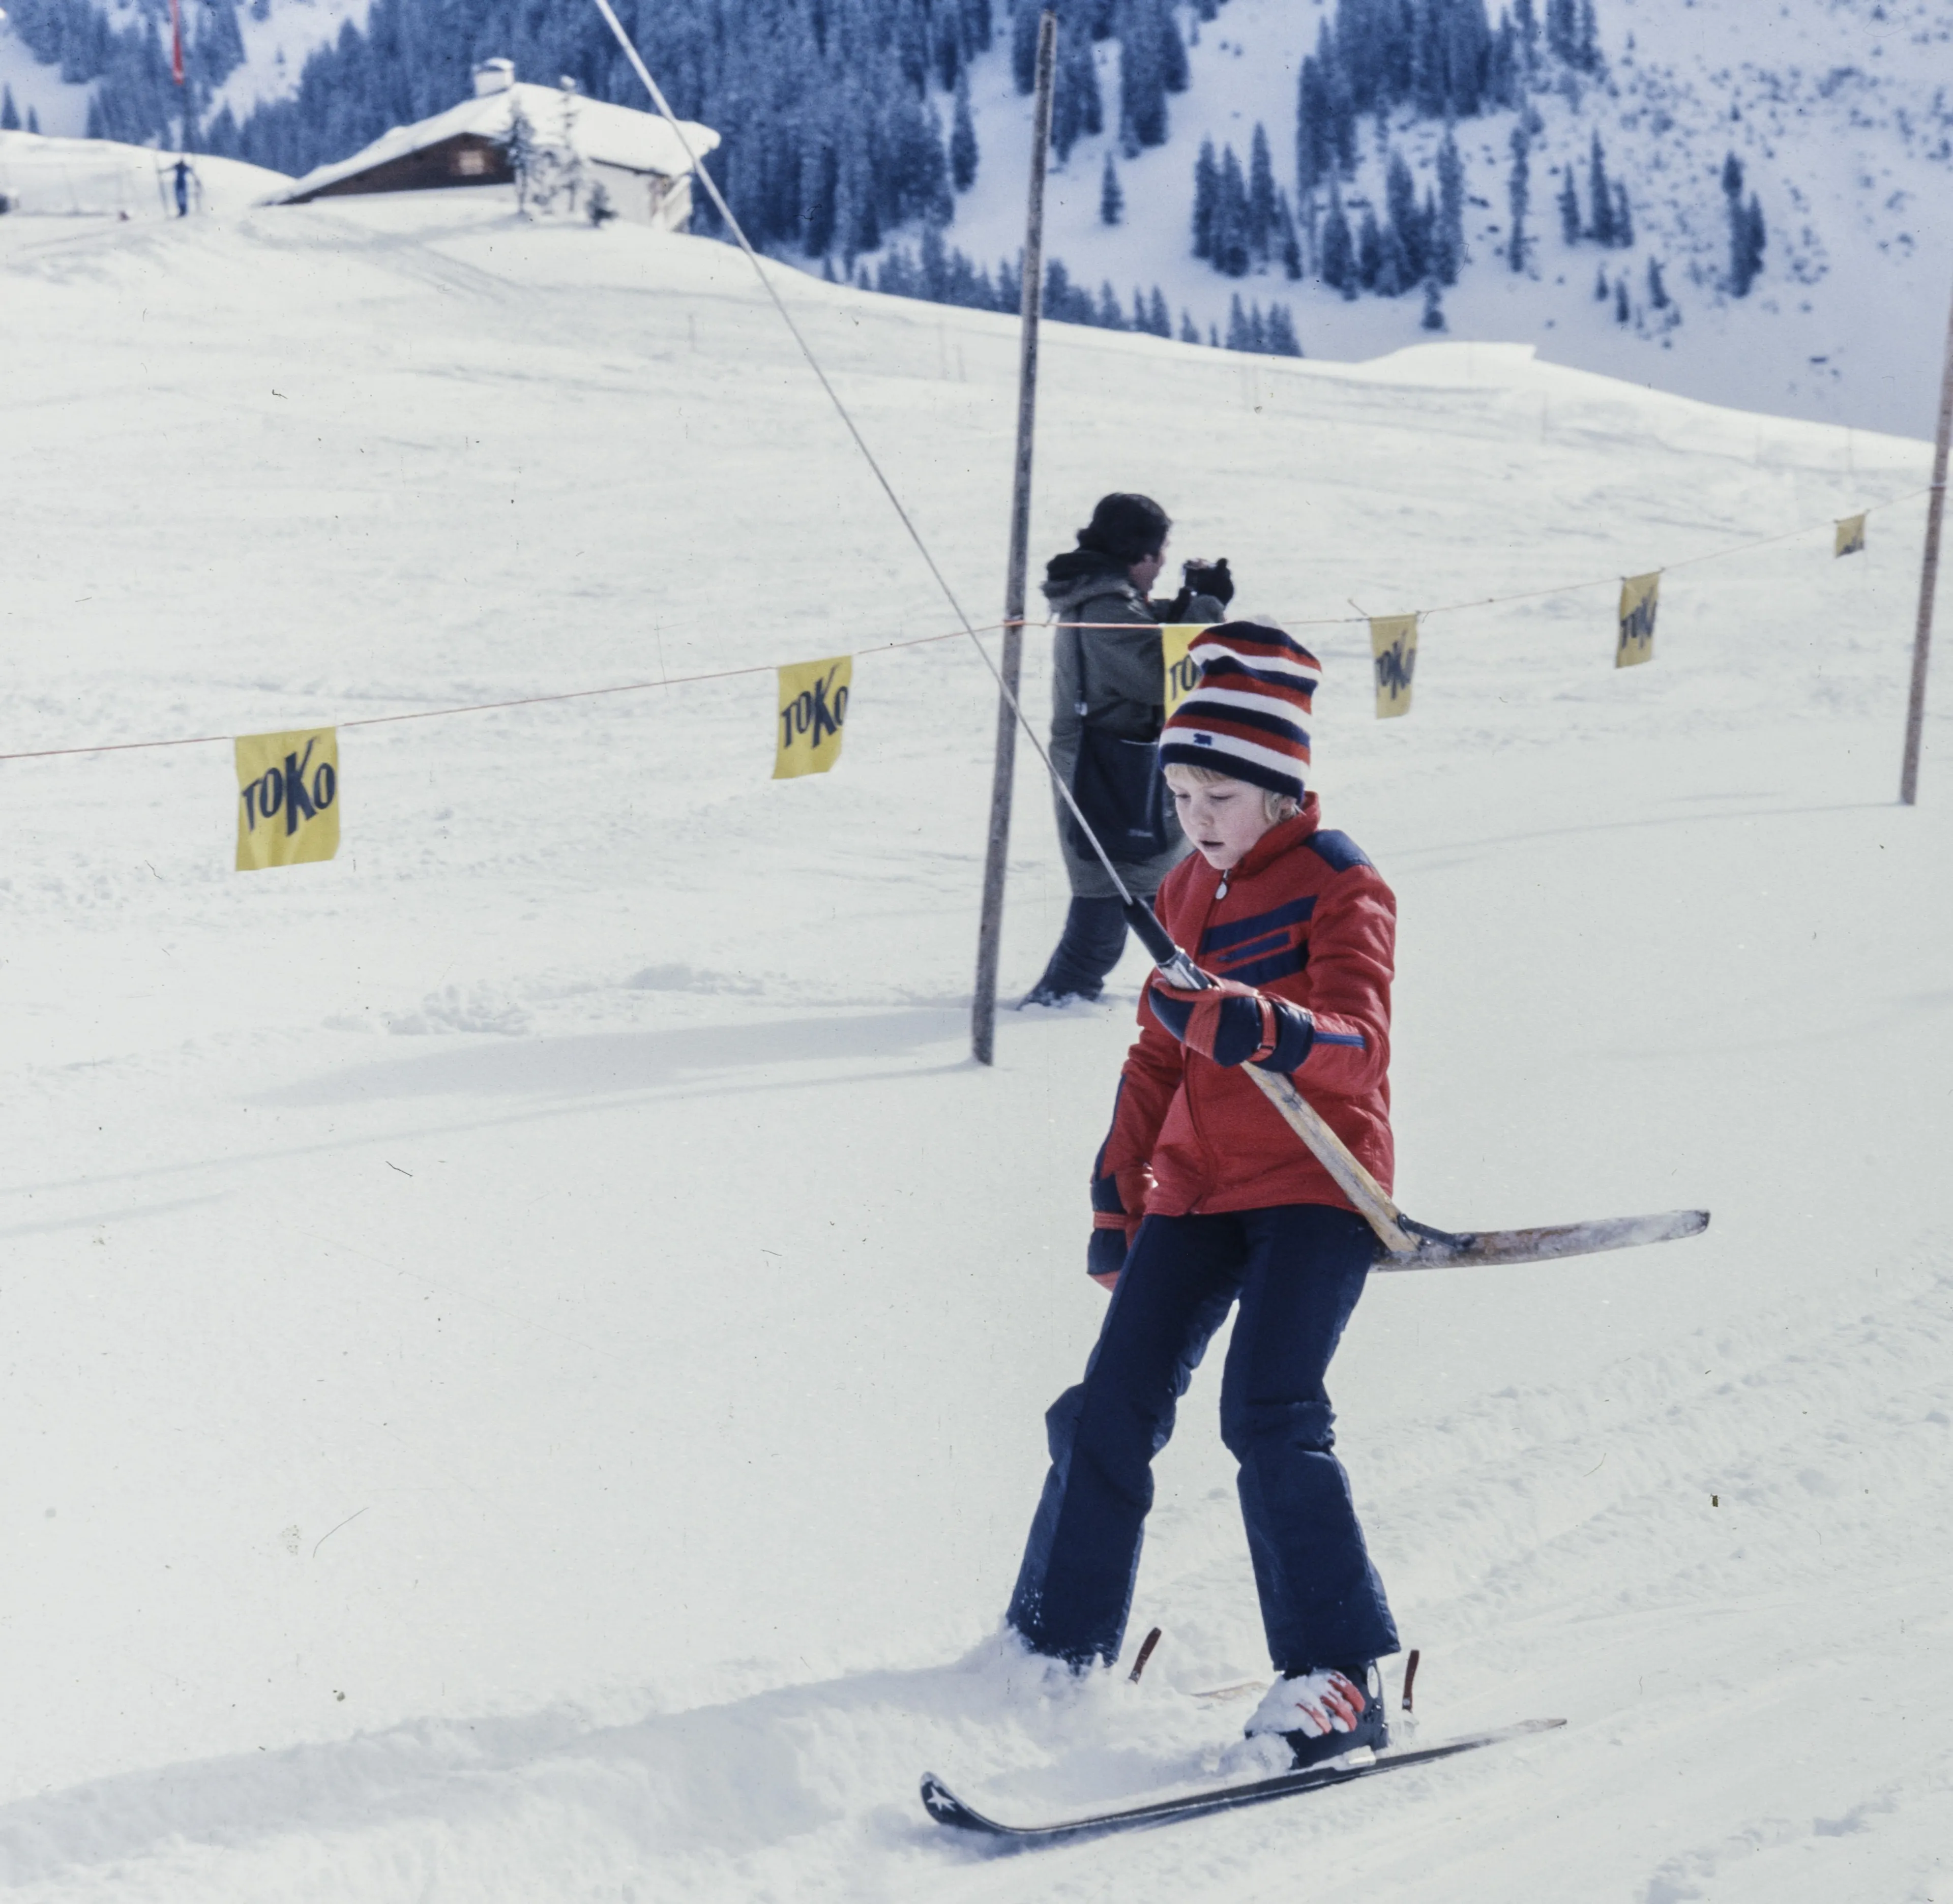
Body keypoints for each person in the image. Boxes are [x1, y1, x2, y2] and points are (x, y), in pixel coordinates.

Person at [1004, 621, 1401, 1771]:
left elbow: (1358, 1043)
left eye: (1218, 790)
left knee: (1267, 1412)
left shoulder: (1343, 881)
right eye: (1178, 791)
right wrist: (1115, 1186)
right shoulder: (1182, 889)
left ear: (1280, 786)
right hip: (1195, 1186)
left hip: (1316, 1184)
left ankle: (1337, 1678)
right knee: (1105, 1405)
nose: (1194, 813)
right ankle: (1050, 1648)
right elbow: (1153, 1056)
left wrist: (1262, 1024)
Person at [1019, 492, 1233, 1008]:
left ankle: (1071, 997)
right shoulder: (1104, 606)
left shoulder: (1105, 598)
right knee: (1108, 896)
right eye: (1158, 555)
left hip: (1112, 765)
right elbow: (1159, 676)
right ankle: (1057, 1002)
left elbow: (1146, 632)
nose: (1160, 566)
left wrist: (1188, 604)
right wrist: (1204, 609)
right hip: (1106, 771)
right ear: (1137, 554)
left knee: (1130, 889)